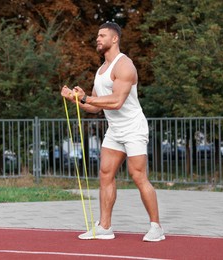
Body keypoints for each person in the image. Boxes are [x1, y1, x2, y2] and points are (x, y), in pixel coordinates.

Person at [60, 22, 165, 242]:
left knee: (138, 176)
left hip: (134, 128)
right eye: (97, 35)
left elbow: (116, 101)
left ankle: (156, 227)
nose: (97, 39)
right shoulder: (101, 71)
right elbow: (96, 107)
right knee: (105, 175)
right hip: (115, 130)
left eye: (102, 35)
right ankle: (105, 227)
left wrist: (86, 97)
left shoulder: (124, 65)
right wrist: (74, 99)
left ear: (114, 39)